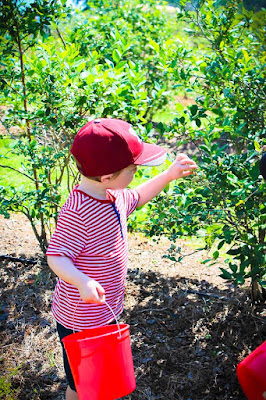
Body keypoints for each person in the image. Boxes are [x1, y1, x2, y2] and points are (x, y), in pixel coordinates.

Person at [46, 118, 198, 400]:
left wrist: (168, 175)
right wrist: (81, 280)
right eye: (133, 169)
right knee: (81, 382)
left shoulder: (112, 195)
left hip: (105, 311)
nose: (136, 173)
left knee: (101, 375)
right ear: (106, 177)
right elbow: (56, 257)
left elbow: (137, 197)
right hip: (80, 319)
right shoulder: (78, 211)